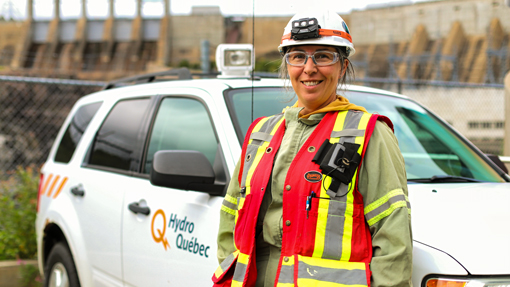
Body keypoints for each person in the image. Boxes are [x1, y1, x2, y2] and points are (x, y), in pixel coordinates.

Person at [213, 10, 412, 287]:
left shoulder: (369, 134)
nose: (309, 68)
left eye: (323, 56)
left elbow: (392, 232)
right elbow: (231, 216)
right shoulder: (261, 133)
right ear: (287, 65)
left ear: (342, 65)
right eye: (298, 57)